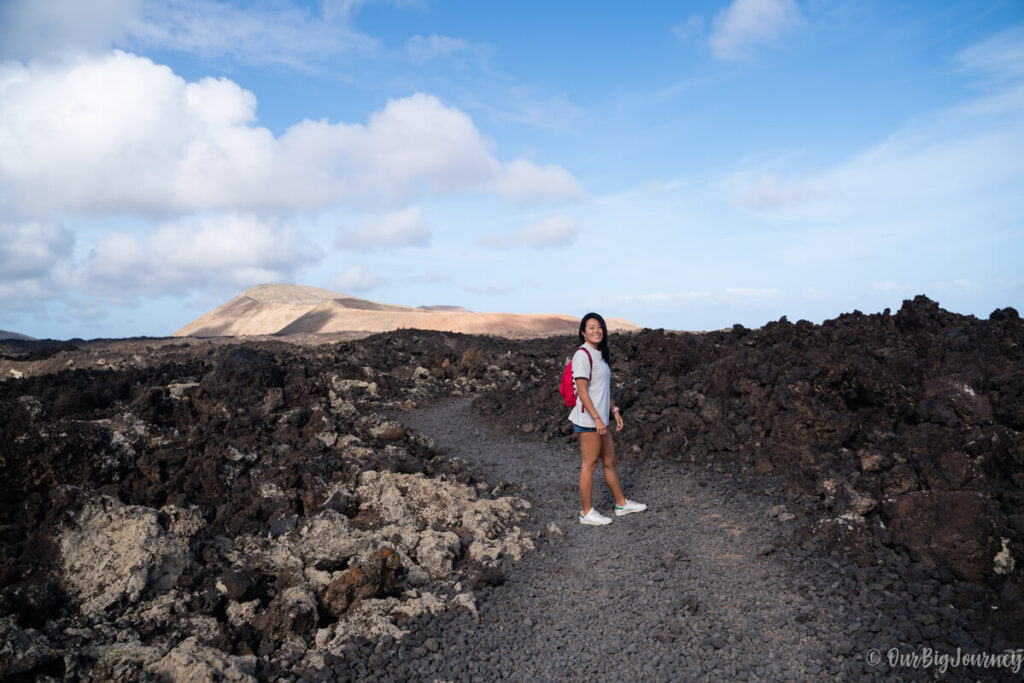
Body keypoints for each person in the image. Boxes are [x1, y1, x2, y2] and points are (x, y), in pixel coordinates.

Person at [569, 312, 647, 525]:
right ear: (583, 332)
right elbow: (583, 392)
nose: (596, 330)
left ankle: (621, 504)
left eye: (599, 326)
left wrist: (614, 411)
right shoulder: (582, 355)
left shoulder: (600, 355)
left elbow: (602, 389)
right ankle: (586, 513)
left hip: (600, 418)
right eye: (591, 327)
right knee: (590, 464)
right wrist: (596, 418)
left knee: (610, 462)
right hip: (588, 419)